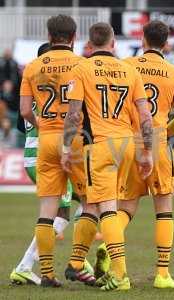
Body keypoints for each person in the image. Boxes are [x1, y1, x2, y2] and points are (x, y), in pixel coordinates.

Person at [62, 22, 153, 292]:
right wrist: (146, 151)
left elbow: (74, 113)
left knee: (106, 209)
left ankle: (120, 274)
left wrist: (67, 148)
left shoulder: (83, 68)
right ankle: (77, 262)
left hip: (99, 145)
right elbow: (145, 116)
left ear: (90, 44)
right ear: (114, 43)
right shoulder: (129, 69)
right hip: (126, 143)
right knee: (94, 203)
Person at [10, 42, 91, 286]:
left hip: (34, 153)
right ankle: (26, 265)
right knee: (67, 211)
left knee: (76, 202)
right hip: (51, 152)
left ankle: (80, 259)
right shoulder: (64, 87)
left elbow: (20, 121)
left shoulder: (34, 87)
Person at [116, 20, 174, 289]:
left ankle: (108, 244)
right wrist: (165, 132)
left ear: (143, 39)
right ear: (166, 43)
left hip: (125, 142)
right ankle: (162, 274)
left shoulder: (125, 65)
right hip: (156, 141)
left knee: (126, 205)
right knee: (164, 206)